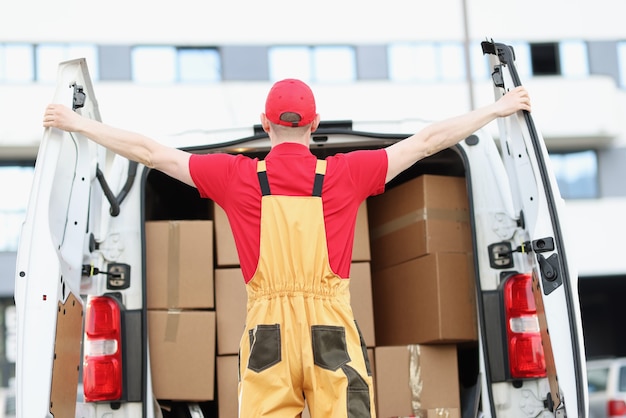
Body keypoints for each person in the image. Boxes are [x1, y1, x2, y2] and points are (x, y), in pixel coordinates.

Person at [43, 79, 531, 418]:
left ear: (265, 123)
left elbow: (150, 153)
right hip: (332, 332)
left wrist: (76, 123)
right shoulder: (345, 172)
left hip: (267, 334)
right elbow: (426, 142)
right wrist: (496, 109)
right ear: (314, 124)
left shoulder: (233, 177)